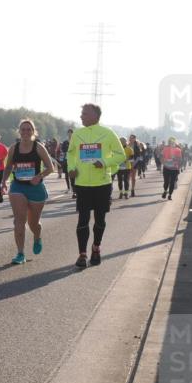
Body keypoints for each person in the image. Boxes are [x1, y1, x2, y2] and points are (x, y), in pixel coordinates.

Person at [67, 103, 126, 267]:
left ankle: (96, 247)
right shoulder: (77, 134)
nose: (81, 116)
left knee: (100, 220)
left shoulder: (108, 133)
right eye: (81, 113)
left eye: (84, 113)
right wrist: (71, 168)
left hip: (102, 184)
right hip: (82, 184)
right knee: (83, 219)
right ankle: (82, 254)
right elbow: (71, 154)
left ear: (95, 115)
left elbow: (121, 155)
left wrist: (105, 162)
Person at [2, 119, 54, 264]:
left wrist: (39, 176)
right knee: (19, 220)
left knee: (33, 224)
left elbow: (50, 168)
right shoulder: (13, 148)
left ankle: (37, 237)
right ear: (19, 131)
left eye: (28, 129)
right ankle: (20, 253)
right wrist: (3, 181)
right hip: (18, 186)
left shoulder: (38, 147)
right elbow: (8, 167)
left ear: (33, 131)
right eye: (23, 129)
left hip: (35, 188)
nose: (25, 132)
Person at [59, 128, 73, 194]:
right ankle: (68, 188)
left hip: (74, 160)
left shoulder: (75, 141)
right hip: (66, 160)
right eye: (68, 133)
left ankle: (74, 189)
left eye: (70, 133)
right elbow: (63, 150)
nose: (69, 134)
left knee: (73, 175)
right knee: (66, 174)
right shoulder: (65, 142)